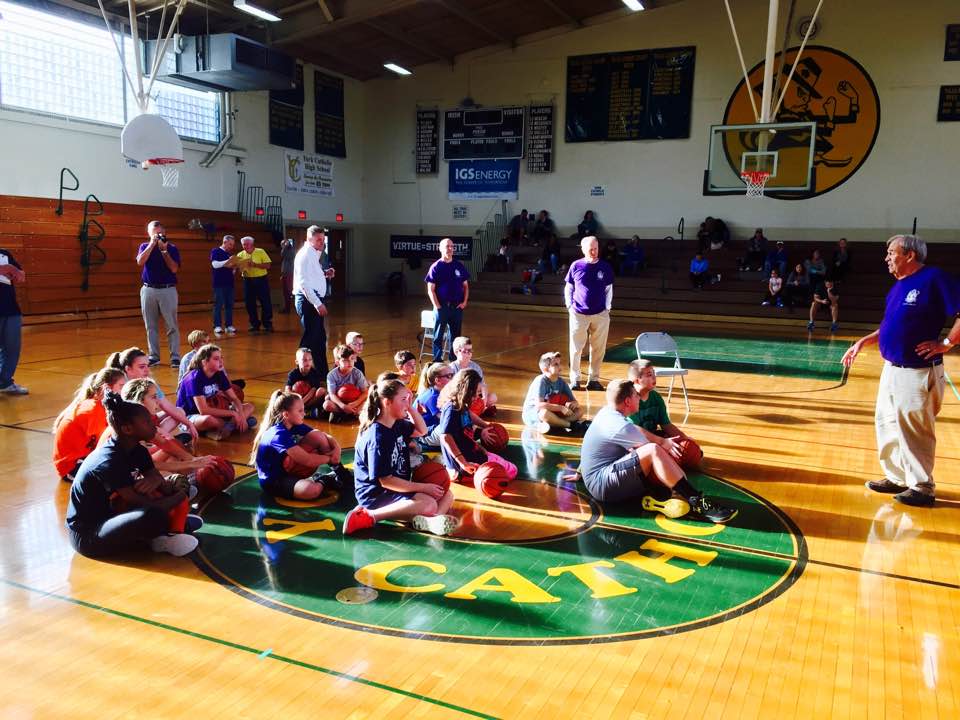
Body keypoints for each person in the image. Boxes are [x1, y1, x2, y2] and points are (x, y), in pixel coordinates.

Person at [842, 234, 960, 507]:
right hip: (892, 369)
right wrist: (864, 341)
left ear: (909, 255)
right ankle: (896, 476)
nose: (887, 258)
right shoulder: (898, 287)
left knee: (915, 428)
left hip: (918, 371)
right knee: (887, 424)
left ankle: (922, 486)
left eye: (891, 253)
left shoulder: (934, 278)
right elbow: (892, 324)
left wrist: (946, 343)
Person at [578, 379, 735, 523]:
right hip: (603, 485)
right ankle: (697, 502)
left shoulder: (606, 413)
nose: (639, 398)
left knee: (651, 457)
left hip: (600, 478)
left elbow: (594, 448)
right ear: (627, 401)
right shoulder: (620, 425)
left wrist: (581, 471)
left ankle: (660, 495)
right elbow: (655, 453)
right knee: (653, 450)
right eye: (636, 396)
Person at [65, 392, 199, 558]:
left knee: (157, 495)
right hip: (88, 535)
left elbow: (162, 486)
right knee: (153, 513)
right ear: (127, 429)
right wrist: (181, 496)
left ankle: (169, 529)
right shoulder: (108, 461)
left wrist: (158, 480)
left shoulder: (138, 450)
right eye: (147, 421)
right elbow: (148, 505)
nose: (153, 424)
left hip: (113, 515)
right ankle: (162, 537)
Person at [342, 378, 458, 536]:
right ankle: (369, 516)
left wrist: (409, 407)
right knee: (429, 503)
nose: (407, 402)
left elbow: (422, 431)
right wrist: (423, 487)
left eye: (408, 399)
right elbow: (386, 481)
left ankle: (432, 520)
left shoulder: (397, 424)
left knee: (446, 493)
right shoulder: (378, 436)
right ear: (387, 402)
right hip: (376, 494)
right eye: (403, 399)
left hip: (396, 488)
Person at [252, 390, 350, 501]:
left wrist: (336, 448)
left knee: (317, 436)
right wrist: (330, 458)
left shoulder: (292, 424)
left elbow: (323, 435)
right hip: (275, 481)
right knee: (312, 491)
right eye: (300, 411)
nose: (304, 414)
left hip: (288, 469)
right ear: (286, 414)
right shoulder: (277, 435)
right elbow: (308, 460)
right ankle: (325, 479)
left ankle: (341, 473)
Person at [109, 346, 200, 449]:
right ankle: (156, 442)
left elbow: (166, 405)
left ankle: (155, 441)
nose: (147, 370)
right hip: (134, 427)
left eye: (148, 366)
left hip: (147, 421)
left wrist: (189, 424)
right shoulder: (121, 386)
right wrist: (169, 439)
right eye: (142, 367)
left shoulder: (148, 382)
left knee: (179, 411)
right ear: (128, 369)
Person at [436, 369, 518, 483]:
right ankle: (458, 473)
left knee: (500, 463)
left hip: (469, 454)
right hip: (466, 462)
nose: (476, 396)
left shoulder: (461, 405)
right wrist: (463, 463)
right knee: (512, 470)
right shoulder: (452, 408)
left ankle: (455, 470)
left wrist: (480, 443)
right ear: (466, 390)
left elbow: (463, 434)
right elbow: (445, 436)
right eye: (475, 392)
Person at [53, 368, 126, 482]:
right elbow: (103, 446)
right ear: (106, 388)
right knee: (125, 470)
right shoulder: (93, 410)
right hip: (72, 466)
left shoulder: (98, 405)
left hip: (82, 458)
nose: (124, 390)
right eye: (121, 386)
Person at [176, 344, 255, 440]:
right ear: (204, 362)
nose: (221, 361)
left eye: (221, 358)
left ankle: (223, 428)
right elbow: (203, 410)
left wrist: (241, 415)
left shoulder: (219, 374)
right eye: (216, 359)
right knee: (209, 420)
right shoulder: (194, 378)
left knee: (249, 407)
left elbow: (234, 398)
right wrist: (234, 414)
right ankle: (231, 427)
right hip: (190, 416)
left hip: (214, 412)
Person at [565, 236, 613, 391]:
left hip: (600, 314)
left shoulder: (605, 267)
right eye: (591, 249)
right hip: (578, 313)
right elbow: (569, 287)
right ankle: (575, 379)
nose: (594, 252)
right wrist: (569, 306)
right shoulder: (576, 265)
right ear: (583, 249)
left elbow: (608, 289)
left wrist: (607, 308)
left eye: (596, 248)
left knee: (599, 348)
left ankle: (593, 379)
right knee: (576, 348)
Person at [136, 221, 181, 368]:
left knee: (172, 325)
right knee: (151, 325)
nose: (156, 235)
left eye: (159, 232)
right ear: (149, 233)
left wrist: (164, 251)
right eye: (153, 232)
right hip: (148, 290)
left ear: (164, 232)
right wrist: (151, 245)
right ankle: (154, 356)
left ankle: (175, 357)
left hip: (167, 290)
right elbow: (140, 261)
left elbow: (174, 269)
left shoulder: (172, 248)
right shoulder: (144, 246)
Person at [293, 226, 334, 377]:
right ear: (309, 239)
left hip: (313, 298)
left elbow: (311, 276)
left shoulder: (313, 254)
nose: (322, 242)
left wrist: (324, 274)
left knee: (319, 340)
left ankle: (323, 374)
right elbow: (303, 284)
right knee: (310, 339)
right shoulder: (304, 255)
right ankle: (298, 374)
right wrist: (318, 303)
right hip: (308, 300)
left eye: (323, 239)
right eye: (318, 239)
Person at [627, 360, 694, 445]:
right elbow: (635, 432)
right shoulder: (629, 401)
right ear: (637, 381)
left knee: (678, 442)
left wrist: (685, 438)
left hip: (652, 437)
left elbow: (667, 425)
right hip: (635, 441)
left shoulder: (656, 398)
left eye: (654, 373)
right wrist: (662, 443)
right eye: (650, 375)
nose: (654, 377)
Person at [425, 238, 470, 362]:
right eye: (447, 246)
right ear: (440, 248)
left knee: (456, 337)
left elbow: (465, 286)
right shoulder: (436, 267)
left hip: (456, 307)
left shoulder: (459, 265)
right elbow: (431, 290)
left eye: (451, 246)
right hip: (442, 306)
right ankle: (437, 360)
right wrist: (438, 306)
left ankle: (453, 359)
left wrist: (464, 302)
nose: (449, 249)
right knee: (438, 336)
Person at [522, 351, 586, 435]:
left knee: (580, 411)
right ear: (546, 369)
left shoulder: (561, 382)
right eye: (556, 364)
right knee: (544, 414)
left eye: (559, 363)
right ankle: (570, 425)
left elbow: (575, 402)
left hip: (553, 413)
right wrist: (560, 408)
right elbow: (539, 405)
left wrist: (573, 404)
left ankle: (555, 423)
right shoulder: (541, 381)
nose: (560, 366)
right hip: (533, 414)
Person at [0, 244, 27, 394]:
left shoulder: (4, 254)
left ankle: (5, 382)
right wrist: (5, 269)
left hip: (10, 309)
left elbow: (21, 275)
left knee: (12, 348)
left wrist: (16, 272)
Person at [448, 336, 497, 414]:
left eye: (470, 351)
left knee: (493, 397)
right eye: (465, 351)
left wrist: (484, 401)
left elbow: (483, 385)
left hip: (474, 396)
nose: (468, 354)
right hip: (460, 396)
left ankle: (478, 411)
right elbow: (451, 390)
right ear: (456, 352)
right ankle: (475, 413)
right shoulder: (451, 368)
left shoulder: (475, 366)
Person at [236, 236, 273, 333]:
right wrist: (239, 267)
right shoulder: (240, 254)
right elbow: (238, 268)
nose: (245, 246)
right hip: (247, 280)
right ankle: (254, 324)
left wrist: (255, 265)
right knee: (249, 303)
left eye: (247, 244)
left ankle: (267, 323)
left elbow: (268, 265)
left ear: (252, 244)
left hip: (261, 280)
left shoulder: (260, 251)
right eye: (244, 244)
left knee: (265, 302)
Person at [324, 343, 369, 421]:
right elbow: (332, 394)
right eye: (345, 360)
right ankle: (350, 414)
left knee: (368, 400)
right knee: (327, 405)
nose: (349, 362)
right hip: (340, 402)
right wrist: (343, 406)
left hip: (354, 402)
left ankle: (343, 415)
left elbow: (365, 392)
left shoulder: (357, 373)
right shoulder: (331, 375)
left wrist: (355, 403)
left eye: (351, 359)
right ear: (337, 362)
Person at [415, 361, 453, 449]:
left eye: (453, 375)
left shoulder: (442, 393)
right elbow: (446, 419)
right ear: (437, 380)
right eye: (449, 376)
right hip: (425, 436)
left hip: (434, 429)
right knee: (454, 426)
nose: (453, 378)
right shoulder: (432, 397)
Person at [285, 347, 328, 417]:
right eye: (304, 360)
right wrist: (297, 399)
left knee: (321, 391)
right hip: (297, 398)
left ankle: (304, 409)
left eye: (310, 359)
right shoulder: (292, 374)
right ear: (297, 362)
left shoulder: (314, 373)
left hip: (309, 400)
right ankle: (304, 411)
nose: (308, 362)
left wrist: (302, 403)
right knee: (281, 395)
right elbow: (287, 390)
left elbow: (312, 391)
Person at [210, 234, 237, 338]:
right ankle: (217, 325)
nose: (232, 246)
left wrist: (234, 267)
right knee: (218, 304)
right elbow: (215, 265)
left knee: (229, 305)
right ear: (225, 242)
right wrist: (228, 261)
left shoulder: (228, 254)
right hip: (219, 283)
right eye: (230, 244)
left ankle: (229, 325)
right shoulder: (215, 251)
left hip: (229, 283)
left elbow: (229, 269)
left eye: (233, 244)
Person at [279, 237, 296, 314]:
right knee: (285, 292)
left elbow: (283, 254)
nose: (282, 245)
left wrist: (286, 246)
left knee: (290, 292)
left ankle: (294, 307)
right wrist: (282, 274)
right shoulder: (285, 251)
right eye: (282, 244)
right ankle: (287, 308)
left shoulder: (291, 251)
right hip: (285, 274)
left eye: (284, 244)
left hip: (290, 274)